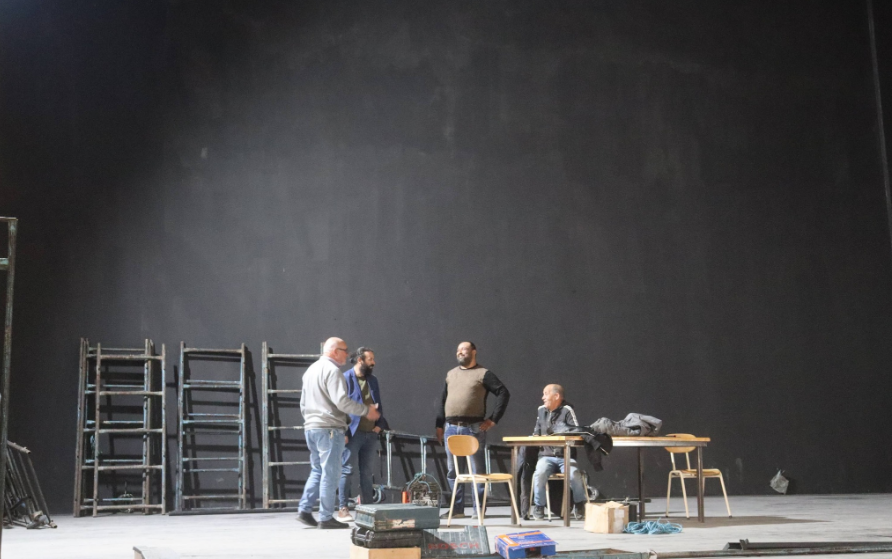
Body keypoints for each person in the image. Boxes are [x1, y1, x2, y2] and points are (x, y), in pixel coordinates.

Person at [297, 337, 380, 529]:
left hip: (312, 427)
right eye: (345, 350)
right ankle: (326, 517)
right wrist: (366, 410)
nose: (347, 354)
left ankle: (305, 509)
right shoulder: (333, 371)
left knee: (317, 469)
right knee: (331, 473)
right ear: (335, 351)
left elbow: (303, 403)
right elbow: (342, 402)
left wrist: (311, 421)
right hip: (329, 429)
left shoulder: (311, 370)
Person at [435, 341, 510, 519]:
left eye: (464, 349)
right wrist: (439, 425)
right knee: (453, 472)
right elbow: (443, 400)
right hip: (450, 428)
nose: (460, 352)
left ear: (474, 352)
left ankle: (479, 510)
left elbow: (503, 393)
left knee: (477, 472)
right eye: (458, 350)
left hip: (473, 429)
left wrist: (493, 419)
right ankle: (457, 509)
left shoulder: (483, 373)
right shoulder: (451, 374)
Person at [336, 347, 389, 522]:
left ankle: (368, 510)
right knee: (347, 470)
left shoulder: (373, 380)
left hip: (370, 434)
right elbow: (340, 407)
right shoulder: (345, 378)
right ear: (360, 360)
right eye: (370, 359)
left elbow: (378, 404)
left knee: (366, 473)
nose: (373, 362)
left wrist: (379, 425)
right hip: (353, 433)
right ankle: (343, 508)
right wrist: (344, 431)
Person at [531, 384, 587, 519]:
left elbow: (576, 432)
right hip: (546, 456)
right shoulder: (541, 410)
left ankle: (579, 504)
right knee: (540, 473)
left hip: (565, 456)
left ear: (556, 396)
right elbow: (536, 433)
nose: (542, 397)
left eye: (546, 394)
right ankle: (539, 506)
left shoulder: (567, 410)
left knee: (574, 474)